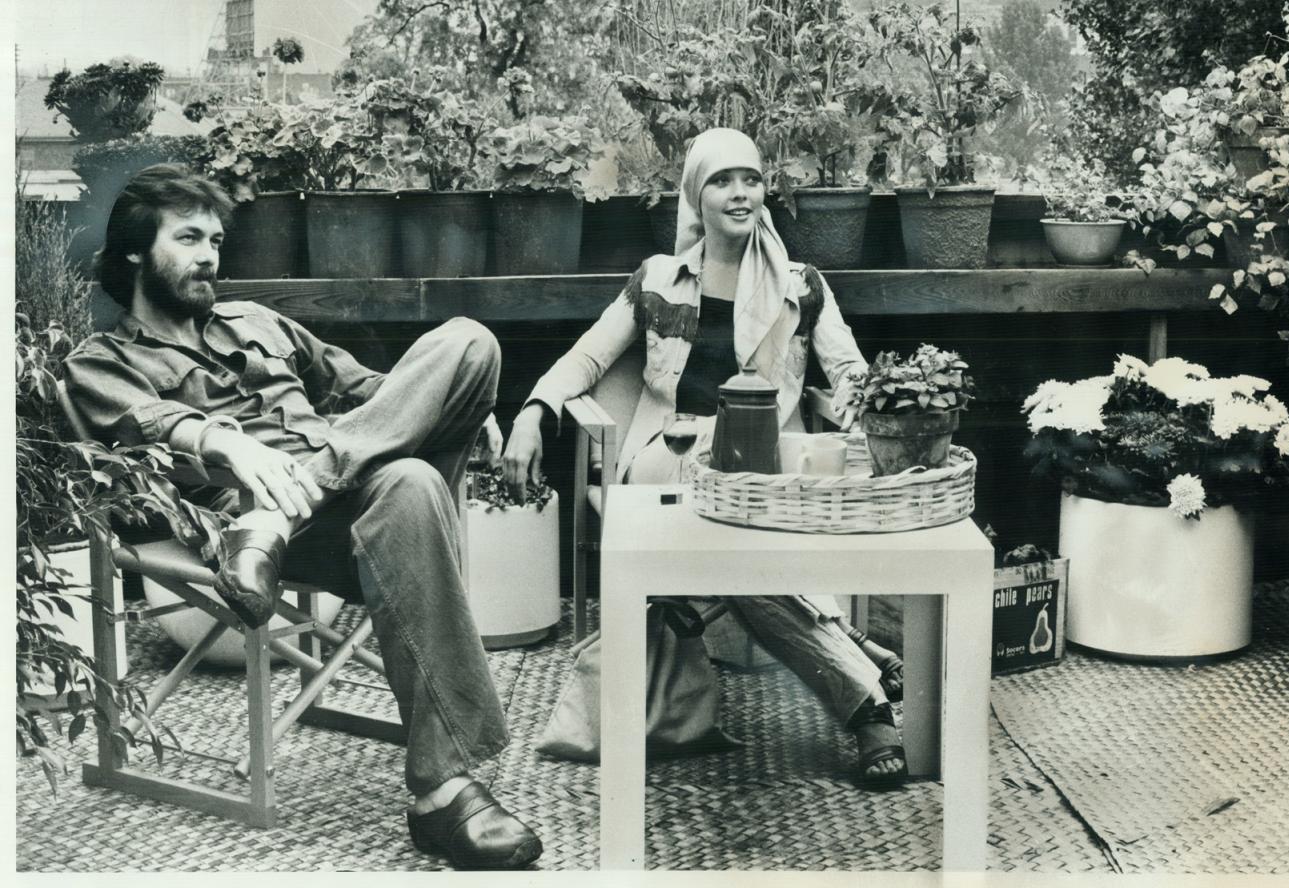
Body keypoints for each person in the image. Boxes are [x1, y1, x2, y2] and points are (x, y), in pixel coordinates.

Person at [62, 164, 542, 870]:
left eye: (216, 241)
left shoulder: (259, 322)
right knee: (408, 479)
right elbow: (147, 425)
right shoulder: (101, 359)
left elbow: (371, 389)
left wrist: (465, 403)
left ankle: (280, 515)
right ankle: (443, 790)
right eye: (188, 237)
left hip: (325, 504)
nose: (208, 256)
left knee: (468, 342)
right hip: (251, 528)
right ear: (135, 251)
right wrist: (225, 438)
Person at [503, 127, 909, 787]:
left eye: (750, 178)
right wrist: (532, 410)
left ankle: (854, 662)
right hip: (671, 457)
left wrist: (890, 427)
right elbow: (587, 357)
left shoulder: (801, 286)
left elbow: (848, 371)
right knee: (733, 541)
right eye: (722, 180)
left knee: (738, 547)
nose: (740, 192)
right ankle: (866, 704)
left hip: (762, 464)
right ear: (697, 193)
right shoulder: (657, 281)